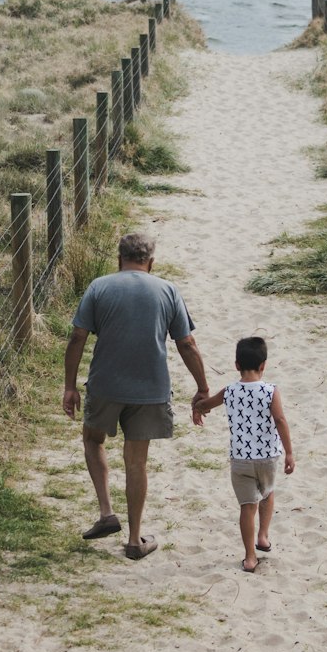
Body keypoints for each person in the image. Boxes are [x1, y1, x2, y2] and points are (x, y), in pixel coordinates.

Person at [62, 233, 210, 560]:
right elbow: (187, 344)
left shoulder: (99, 287)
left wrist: (70, 385)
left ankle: (106, 512)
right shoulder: (168, 290)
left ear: (119, 259)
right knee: (136, 462)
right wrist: (202, 386)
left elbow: (77, 337)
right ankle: (133, 540)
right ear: (151, 262)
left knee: (93, 439)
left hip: (105, 385)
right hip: (150, 389)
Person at [195, 336, 295, 573]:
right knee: (268, 493)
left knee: (247, 507)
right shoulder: (271, 391)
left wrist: (197, 408)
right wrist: (289, 452)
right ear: (264, 365)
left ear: (236, 365)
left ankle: (250, 558)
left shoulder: (229, 391)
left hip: (240, 459)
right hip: (267, 458)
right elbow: (280, 420)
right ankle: (263, 536)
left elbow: (208, 404)